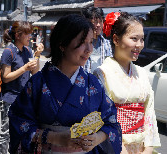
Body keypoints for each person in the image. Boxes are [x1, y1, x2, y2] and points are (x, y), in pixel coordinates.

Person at [8, 14, 122, 154]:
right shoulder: (38, 83)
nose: (89, 49)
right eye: (82, 42)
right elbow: (18, 121)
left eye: (91, 42)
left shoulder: (93, 84)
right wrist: (54, 137)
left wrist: (97, 138)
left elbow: (111, 122)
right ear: (62, 44)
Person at [94, 12, 161, 154]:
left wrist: (148, 148)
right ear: (116, 40)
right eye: (134, 39)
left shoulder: (142, 73)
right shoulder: (102, 74)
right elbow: (101, 120)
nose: (139, 45)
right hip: (116, 147)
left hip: (142, 147)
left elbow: (149, 113)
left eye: (142, 39)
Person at [0, 21, 44, 154]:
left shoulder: (28, 50)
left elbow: (35, 73)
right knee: (6, 133)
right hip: (9, 98)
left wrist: (37, 55)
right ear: (18, 35)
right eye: (28, 34)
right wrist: (24, 68)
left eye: (31, 33)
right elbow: (6, 77)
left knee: (22, 131)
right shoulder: (8, 52)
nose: (30, 37)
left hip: (24, 99)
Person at [82, 7, 112, 73]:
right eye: (95, 22)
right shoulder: (80, 43)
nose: (98, 25)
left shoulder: (108, 44)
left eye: (100, 21)